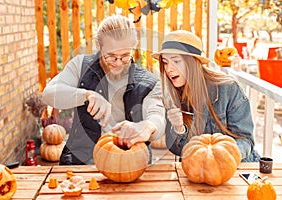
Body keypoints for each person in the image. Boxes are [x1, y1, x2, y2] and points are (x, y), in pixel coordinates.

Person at [42, 14, 166, 165]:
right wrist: (87, 95)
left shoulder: (149, 81)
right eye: (111, 56)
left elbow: (157, 115)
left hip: (131, 162)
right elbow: (48, 95)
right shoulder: (80, 66)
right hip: (82, 161)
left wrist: (147, 127)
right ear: (99, 46)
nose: (118, 63)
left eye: (125, 56)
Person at [152, 30, 260, 162]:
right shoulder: (171, 95)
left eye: (176, 61)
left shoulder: (228, 88)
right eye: (166, 62)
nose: (169, 69)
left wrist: (221, 157)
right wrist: (178, 128)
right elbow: (178, 150)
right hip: (199, 170)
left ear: (193, 62)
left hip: (238, 168)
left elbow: (245, 139)